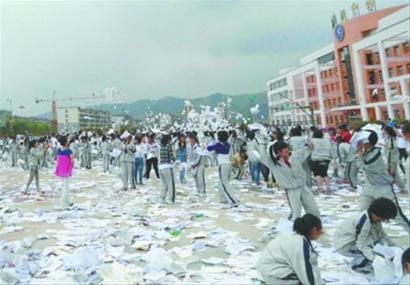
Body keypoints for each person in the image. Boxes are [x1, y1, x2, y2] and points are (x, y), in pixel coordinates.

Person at [357, 131, 410, 233]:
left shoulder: (377, 152)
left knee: (396, 215)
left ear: (368, 142)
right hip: (369, 186)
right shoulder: (366, 152)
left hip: (382, 188)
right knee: (363, 213)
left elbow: (365, 165)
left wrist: (360, 154)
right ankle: (367, 236)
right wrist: (361, 153)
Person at [333, 198, 398, 273]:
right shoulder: (363, 222)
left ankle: (367, 259)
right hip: (345, 245)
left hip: (358, 241)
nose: (383, 220)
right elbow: (361, 245)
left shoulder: (375, 219)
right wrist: (374, 258)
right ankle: (355, 266)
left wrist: (395, 247)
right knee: (372, 255)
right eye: (384, 218)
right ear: (379, 214)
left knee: (382, 250)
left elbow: (382, 234)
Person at [256, 214, 323, 285]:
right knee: (302, 279)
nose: (321, 232)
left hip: (270, 268)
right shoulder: (299, 244)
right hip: (272, 272)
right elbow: (306, 272)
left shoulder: (297, 238)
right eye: (320, 229)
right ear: (314, 229)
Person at [265, 141, 320, 221]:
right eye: (285, 152)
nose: (287, 153)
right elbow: (264, 155)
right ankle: (295, 227)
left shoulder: (295, 156)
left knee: (312, 207)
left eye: (288, 151)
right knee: (296, 211)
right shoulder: (274, 163)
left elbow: (308, 150)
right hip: (292, 190)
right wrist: (271, 145)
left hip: (302, 186)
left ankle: (315, 223)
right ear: (278, 152)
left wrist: (310, 146)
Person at [207, 130, 238, 207]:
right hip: (228, 164)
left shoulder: (218, 145)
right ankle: (223, 199)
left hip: (222, 165)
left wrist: (211, 144)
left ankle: (233, 200)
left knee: (224, 184)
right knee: (221, 183)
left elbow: (209, 148)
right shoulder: (228, 144)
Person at [384, 126, 406, 191]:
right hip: (390, 158)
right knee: (392, 173)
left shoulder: (391, 138)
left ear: (387, 131)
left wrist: (389, 162)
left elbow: (392, 149)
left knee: (394, 173)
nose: (383, 131)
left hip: (391, 159)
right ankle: (399, 186)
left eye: (385, 130)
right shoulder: (389, 138)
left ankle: (401, 186)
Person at [55, 135, 74, 208]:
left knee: (64, 186)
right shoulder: (68, 150)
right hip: (67, 170)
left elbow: (57, 160)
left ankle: (67, 201)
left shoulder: (59, 150)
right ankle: (64, 202)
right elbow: (72, 160)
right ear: (66, 142)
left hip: (60, 170)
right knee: (66, 187)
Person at [159, 134, 176, 204]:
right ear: (168, 140)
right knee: (170, 184)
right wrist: (176, 160)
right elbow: (172, 157)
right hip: (167, 167)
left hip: (161, 167)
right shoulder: (169, 146)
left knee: (164, 184)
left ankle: (162, 198)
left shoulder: (161, 147)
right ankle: (170, 199)